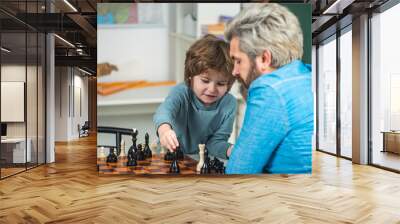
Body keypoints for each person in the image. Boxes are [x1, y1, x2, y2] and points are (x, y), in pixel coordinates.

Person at [225, 3, 313, 174]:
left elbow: (236, 174)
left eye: (238, 61)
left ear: (264, 59)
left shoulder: (270, 90)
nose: (234, 71)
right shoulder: (306, 75)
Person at [153, 34, 236, 159]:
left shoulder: (229, 104)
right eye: (205, 80)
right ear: (190, 77)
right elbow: (163, 112)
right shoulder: (181, 93)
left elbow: (215, 143)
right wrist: (164, 131)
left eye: (221, 83)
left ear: (228, 84)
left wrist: (230, 150)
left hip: (198, 161)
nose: (212, 89)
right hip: (167, 155)